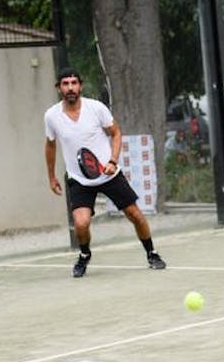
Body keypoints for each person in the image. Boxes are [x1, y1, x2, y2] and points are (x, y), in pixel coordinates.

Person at [44, 67, 166, 277]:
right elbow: (50, 145)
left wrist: (112, 160)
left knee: (134, 214)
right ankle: (84, 255)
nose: (70, 87)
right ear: (59, 88)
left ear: (80, 86)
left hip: (108, 173)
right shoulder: (52, 116)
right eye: (66, 84)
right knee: (81, 223)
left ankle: (152, 252)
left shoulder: (96, 108)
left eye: (74, 82)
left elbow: (116, 133)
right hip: (79, 179)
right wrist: (52, 176)